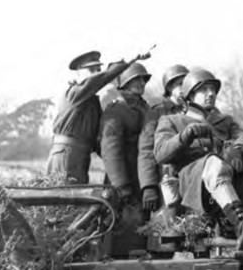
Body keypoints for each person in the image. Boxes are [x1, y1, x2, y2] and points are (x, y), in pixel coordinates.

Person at [153, 69, 243, 250]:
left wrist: (238, 149)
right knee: (213, 162)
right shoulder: (171, 121)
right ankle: (242, 224)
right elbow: (160, 154)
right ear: (190, 95)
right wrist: (185, 136)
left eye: (213, 89)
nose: (211, 94)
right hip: (197, 189)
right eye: (204, 89)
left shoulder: (224, 121)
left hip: (229, 180)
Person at [46, 49, 151, 184]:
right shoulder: (74, 93)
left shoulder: (92, 103)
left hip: (81, 156)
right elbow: (101, 78)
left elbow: (101, 141)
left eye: (98, 70)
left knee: (77, 194)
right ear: (78, 73)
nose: (96, 74)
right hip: (65, 155)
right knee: (65, 193)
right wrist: (130, 60)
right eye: (91, 70)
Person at [137, 64, 189, 212]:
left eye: (187, 83)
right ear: (170, 87)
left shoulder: (196, 111)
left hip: (193, 177)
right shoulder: (156, 113)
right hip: (167, 180)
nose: (184, 88)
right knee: (169, 222)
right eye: (180, 84)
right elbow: (146, 151)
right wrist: (149, 186)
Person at [99, 62, 151, 204]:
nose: (142, 83)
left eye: (143, 79)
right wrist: (121, 185)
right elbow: (110, 150)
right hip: (124, 181)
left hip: (143, 177)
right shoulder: (116, 110)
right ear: (126, 82)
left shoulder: (145, 107)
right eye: (137, 79)